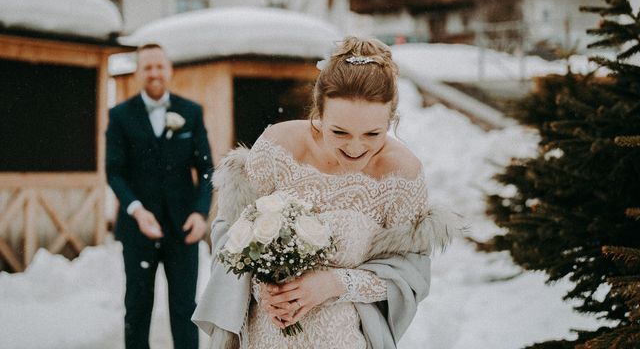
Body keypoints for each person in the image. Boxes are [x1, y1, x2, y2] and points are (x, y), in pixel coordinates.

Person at [193, 37, 460, 348]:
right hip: (265, 336)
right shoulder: (279, 146)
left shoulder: (403, 175)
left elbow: (409, 277)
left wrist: (334, 284)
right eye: (340, 132)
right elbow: (231, 238)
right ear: (318, 112)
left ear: (392, 119)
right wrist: (258, 287)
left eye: (373, 134)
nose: (356, 147)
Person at [107, 43, 213, 349]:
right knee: (137, 309)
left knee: (184, 309)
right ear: (139, 72)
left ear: (169, 70)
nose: (154, 73)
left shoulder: (190, 113)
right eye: (147, 67)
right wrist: (137, 211)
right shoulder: (120, 116)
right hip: (138, 230)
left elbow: (206, 168)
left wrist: (200, 212)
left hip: (184, 229)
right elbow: (114, 172)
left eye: (158, 66)